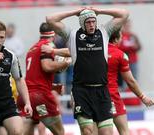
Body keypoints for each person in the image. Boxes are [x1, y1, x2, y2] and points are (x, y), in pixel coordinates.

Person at [46, 7, 129, 135]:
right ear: (82, 23)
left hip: (102, 91)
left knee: (106, 132)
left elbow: (124, 14)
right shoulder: (72, 35)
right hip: (82, 91)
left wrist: (99, 11)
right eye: (88, 22)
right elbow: (50, 19)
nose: (91, 25)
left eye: (93, 21)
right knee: (88, 131)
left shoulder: (104, 32)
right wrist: (74, 12)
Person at [17, 22, 71, 135]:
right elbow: (47, 66)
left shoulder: (32, 49)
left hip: (27, 98)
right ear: (54, 34)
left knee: (31, 126)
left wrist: (53, 87)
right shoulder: (49, 46)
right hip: (40, 98)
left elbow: (35, 78)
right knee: (60, 132)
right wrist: (65, 63)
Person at [108, 29, 154, 135]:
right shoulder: (119, 54)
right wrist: (143, 97)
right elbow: (130, 81)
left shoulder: (96, 52)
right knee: (124, 131)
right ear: (118, 39)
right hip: (111, 96)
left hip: (93, 96)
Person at [118, 20, 141, 89]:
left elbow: (139, 47)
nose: (127, 27)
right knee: (124, 81)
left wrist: (135, 46)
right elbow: (117, 47)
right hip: (124, 62)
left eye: (128, 25)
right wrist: (127, 47)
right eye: (126, 25)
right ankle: (124, 98)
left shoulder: (133, 36)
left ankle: (134, 97)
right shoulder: (119, 35)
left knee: (134, 79)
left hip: (133, 61)